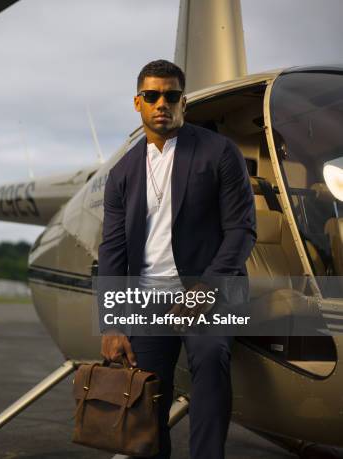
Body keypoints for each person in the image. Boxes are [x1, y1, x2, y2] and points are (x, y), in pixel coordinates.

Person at [98, 60, 256, 459]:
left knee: (210, 357)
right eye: (152, 96)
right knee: (147, 393)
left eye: (171, 96)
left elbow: (241, 230)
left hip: (211, 290)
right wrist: (113, 322)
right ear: (138, 103)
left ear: (183, 101)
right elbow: (112, 250)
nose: (161, 104)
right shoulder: (121, 173)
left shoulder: (220, 152)